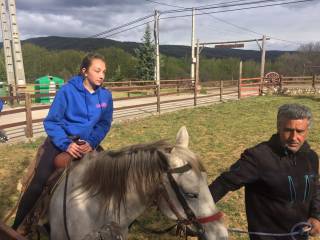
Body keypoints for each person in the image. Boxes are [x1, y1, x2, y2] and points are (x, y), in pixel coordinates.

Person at [12, 53, 113, 230]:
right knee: (40, 181)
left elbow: (104, 124)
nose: (102, 75)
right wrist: (66, 144)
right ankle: (19, 226)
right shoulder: (67, 91)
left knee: (111, 176)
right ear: (84, 71)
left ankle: (111, 220)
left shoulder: (105, 96)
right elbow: (51, 122)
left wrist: (92, 141)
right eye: (97, 70)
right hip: (61, 141)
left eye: (104, 71)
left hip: (88, 143)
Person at [209, 103, 320, 239]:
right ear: (278, 127)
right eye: (288, 130)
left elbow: (315, 189)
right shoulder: (258, 157)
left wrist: (316, 215)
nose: (294, 137)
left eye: (300, 131)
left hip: (300, 234)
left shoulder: (311, 157)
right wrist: (194, 211)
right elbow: (225, 182)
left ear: (307, 130)